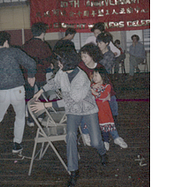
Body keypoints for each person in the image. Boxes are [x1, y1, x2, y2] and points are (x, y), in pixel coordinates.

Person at [31, 49, 106, 187]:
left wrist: (46, 105)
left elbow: (71, 100)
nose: (58, 64)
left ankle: (102, 152)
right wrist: (41, 90)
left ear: (68, 64)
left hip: (88, 109)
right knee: (70, 135)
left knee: (95, 142)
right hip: (73, 111)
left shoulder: (81, 78)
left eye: (60, 62)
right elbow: (55, 82)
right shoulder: (62, 72)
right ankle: (73, 170)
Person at [0, 31, 37, 162]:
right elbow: (31, 63)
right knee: (19, 116)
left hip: (1, 93)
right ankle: (16, 145)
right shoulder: (13, 51)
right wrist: (31, 76)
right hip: (18, 90)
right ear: (6, 42)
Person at [22, 22, 54, 126]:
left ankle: (30, 120)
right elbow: (47, 61)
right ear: (43, 33)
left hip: (27, 76)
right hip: (40, 76)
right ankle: (41, 117)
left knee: (30, 97)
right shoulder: (44, 45)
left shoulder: (26, 45)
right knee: (42, 96)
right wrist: (49, 65)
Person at [91, 66, 128, 151]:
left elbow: (104, 95)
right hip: (97, 110)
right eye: (94, 76)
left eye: (96, 75)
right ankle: (106, 141)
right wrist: (94, 92)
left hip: (105, 110)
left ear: (102, 76)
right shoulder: (93, 85)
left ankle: (115, 138)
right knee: (102, 126)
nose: (94, 77)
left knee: (108, 124)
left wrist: (95, 93)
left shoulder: (107, 86)